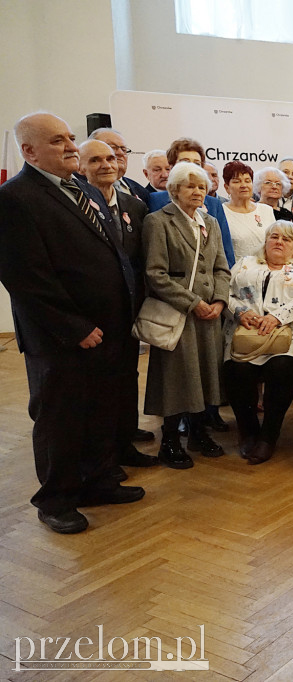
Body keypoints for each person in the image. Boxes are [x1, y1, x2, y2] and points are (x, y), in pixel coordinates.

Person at [0, 113, 142, 534]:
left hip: (106, 327)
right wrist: (74, 326)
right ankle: (56, 499)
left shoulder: (79, 188)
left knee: (100, 408)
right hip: (60, 336)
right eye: (57, 141)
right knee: (60, 416)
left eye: (69, 138)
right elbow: (25, 277)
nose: (70, 146)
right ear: (29, 151)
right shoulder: (15, 197)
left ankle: (97, 480)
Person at [143, 162, 231, 468]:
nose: (198, 192)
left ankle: (198, 433)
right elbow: (156, 274)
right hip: (180, 314)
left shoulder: (211, 222)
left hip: (209, 315)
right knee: (176, 378)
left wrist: (220, 301)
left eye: (202, 187)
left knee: (204, 374)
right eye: (191, 186)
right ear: (174, 190)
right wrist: (193, 302)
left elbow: (221, 267)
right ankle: (168, 441)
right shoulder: (158, 222)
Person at [78, 139, 158, 469]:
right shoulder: (76, 205)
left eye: (111, 158)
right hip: (92, 316)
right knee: (98, 389)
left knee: (127, 379)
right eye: (95, 160)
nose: (107, 165)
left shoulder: (134, 205)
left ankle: (125, 446)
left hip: (128, 310)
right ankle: (101, 460)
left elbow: (140, 259)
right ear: (80, 168)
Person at [223, 221, 293, 464]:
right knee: (237, 371)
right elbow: (223, 290)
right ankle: (248, 431)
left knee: (282, 370)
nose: (279, 242)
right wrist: (240, 312)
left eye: (286, 239)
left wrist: (277, 317)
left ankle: (269, 436)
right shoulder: (246, 263)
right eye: (274, 237)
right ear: (265, 241)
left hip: (287, 336)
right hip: (246, 335)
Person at [146, 139, 235, 267]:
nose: (192, 167)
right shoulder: (155, 200)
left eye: (197, 163)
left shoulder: (214, 204)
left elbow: (226, 252)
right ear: (171, 167)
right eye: (185, 162)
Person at [222, 160, 277, 260]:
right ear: (227, 188)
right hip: (236, 272)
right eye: (237, 181)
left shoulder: (266, 210)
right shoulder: (221, 212)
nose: (244, 185)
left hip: (267, 269)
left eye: (247, 181)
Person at [88, 127, 149, 203]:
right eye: (112, 148)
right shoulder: (79, 188)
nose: (120, 153)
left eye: (123, 149)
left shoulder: (142, 192)